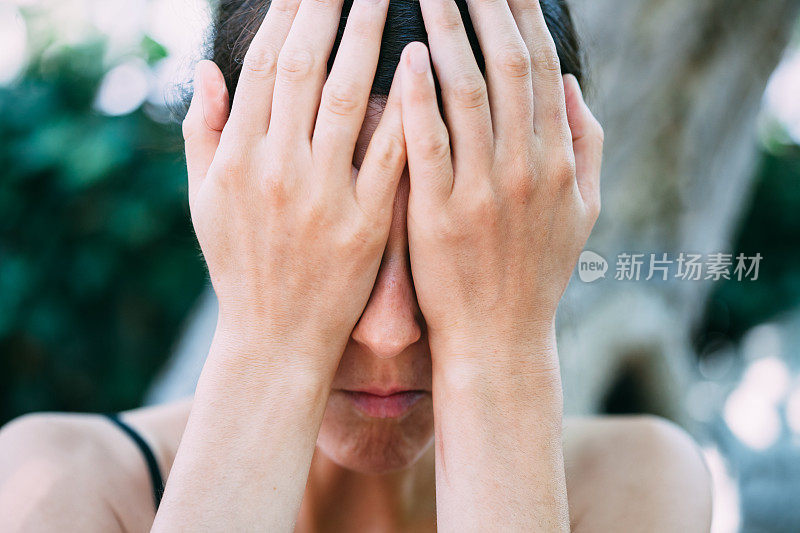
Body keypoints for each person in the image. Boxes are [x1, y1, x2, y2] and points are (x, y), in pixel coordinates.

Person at [0, 0, 713, 530]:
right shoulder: (63, 486)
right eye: (339, 244)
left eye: (458, 247)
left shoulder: (635, 484)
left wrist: (500, 348)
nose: (389, 331)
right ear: (220, 194)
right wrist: (271, 346)